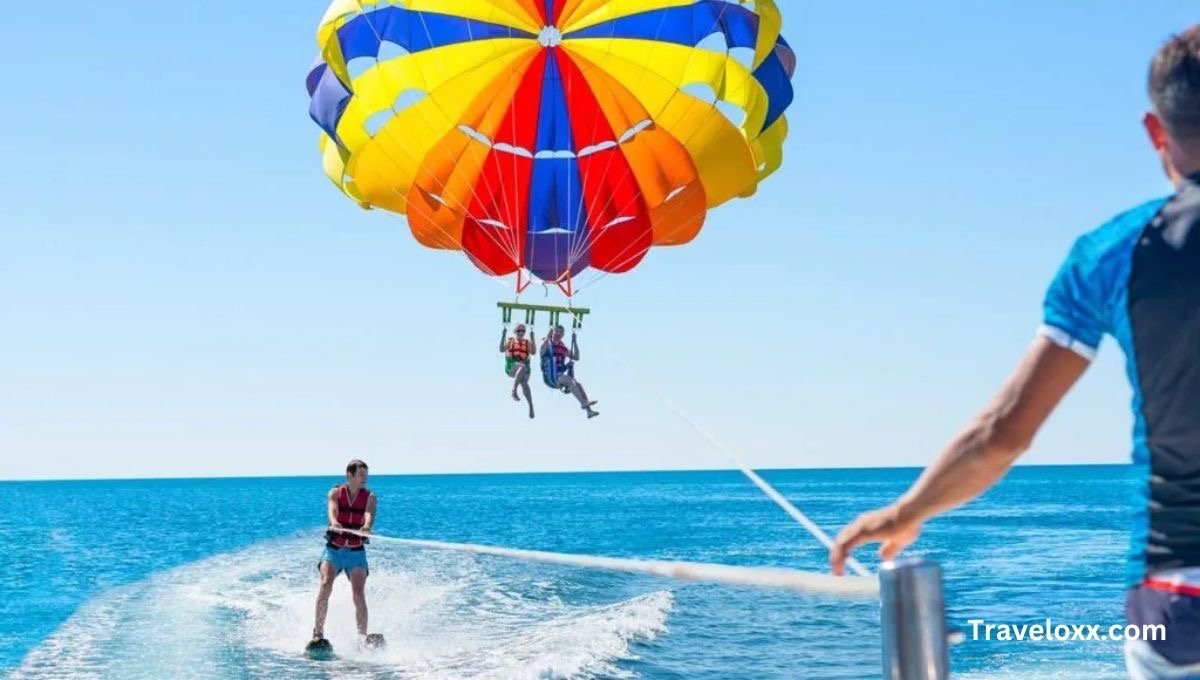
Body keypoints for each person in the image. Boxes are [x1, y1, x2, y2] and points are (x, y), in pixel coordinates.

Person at [829, 26, 1200, 679]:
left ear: (1154, 129)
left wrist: (903, 511)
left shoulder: (1111, 255)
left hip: (1176, 602)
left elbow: (1003, 433)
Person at [310, 459, 381, 651]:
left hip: (356, 552)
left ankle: (362, 638)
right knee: (325, 584)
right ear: (350, 475)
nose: (365, 479)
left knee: (358, 592)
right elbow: (332, 509)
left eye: (366, 475)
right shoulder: (335, 493)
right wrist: (334, 522)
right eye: (361, 475)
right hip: (334, 549)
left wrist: (366, 527)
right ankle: (318, 633)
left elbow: (368, 514)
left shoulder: (370, 497)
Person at [541, 325, 599, 418]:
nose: (558, 334)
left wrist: (574, 341)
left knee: (577, 384)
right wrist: (548, 337)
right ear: (553, 332)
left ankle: (589, 411)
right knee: (570, 380)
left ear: (563, 335)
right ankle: (584, 403)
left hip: (559, 375)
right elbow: (541, 351)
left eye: (561, 332)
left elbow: (576, 357)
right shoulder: (547, 344)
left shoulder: (562, 347)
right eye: (557, 331)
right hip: (550, 376)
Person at [501, 323, 535, 418]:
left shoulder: (527, 342)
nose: (521, 332)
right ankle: (514, 391)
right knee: (522, 367)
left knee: (525, 384)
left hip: (523, 368)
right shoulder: (510, 341)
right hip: (511, 367)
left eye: (523, 331)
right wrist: (503, 335)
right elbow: (501, 349)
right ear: (515, 331)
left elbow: (533, 352)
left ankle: (531, 406)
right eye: (519, 330)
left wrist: (532, 338)